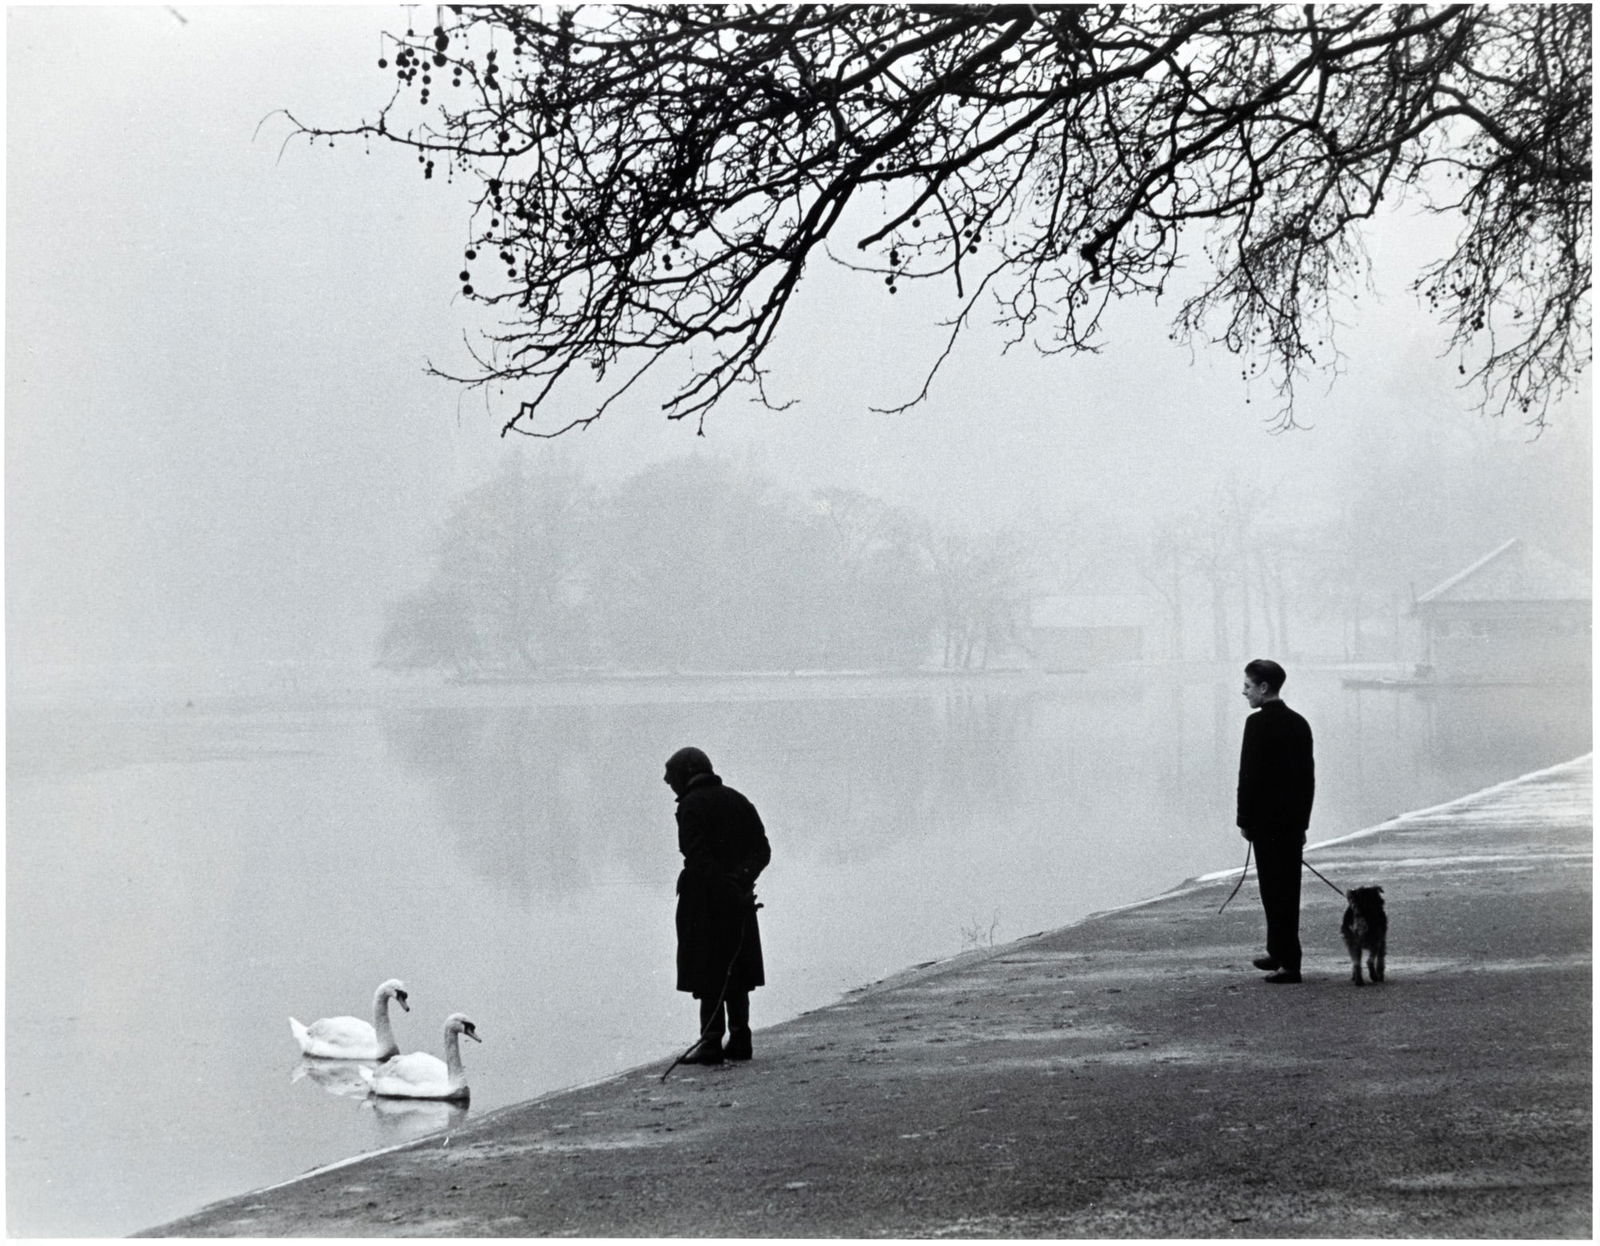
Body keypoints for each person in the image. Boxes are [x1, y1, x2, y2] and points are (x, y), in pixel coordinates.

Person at [664, 746, 770, 1063]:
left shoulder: (691, 806)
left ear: (686, 774)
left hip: (705, 904)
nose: (672, 788)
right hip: (738, 901)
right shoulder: (738, 799)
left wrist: (725, 887)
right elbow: (762, 850)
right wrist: (740, 880)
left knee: (709, 973)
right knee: (736, 971)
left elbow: (697, 858)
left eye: (673, 781)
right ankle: (740, 1038)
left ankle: (710, 1043)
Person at [1236, 659, 1315, 984]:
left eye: (1247, 686)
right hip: (1291, 823)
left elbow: (1249, 776)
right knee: (1288, 890)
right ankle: (1279, 952)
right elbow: (1308, 779)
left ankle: (1288, 962)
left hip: (1266, 823)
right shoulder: (1300, 723)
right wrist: (1303, 823)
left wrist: (1244, 819)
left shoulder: (1256, 725)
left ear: (1263, 687)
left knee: (1272, 890)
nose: (1244, 692)